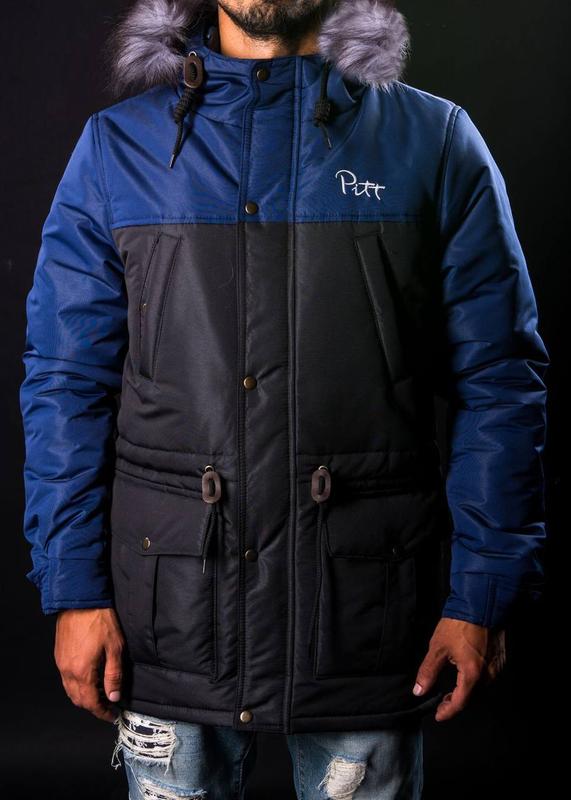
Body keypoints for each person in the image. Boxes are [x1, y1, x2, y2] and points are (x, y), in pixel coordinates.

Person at [19, 1, 549, 797]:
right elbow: (66, 381)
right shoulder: (117, 149)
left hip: (364, 622)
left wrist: (481, 595)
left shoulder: (432, 141)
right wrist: (73, 590)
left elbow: (500, 382)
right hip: (168, 615)